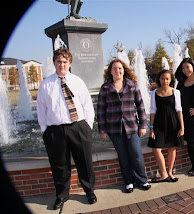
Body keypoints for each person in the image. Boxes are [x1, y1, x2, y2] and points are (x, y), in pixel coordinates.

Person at [37, 48, 97, 210]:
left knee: (84, 162)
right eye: (59, 61)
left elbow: (87, 105)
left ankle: (89, 191)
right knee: (59, 165)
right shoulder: (46, 84)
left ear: (69, 63)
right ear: (54, 63)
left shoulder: (77, 81)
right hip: (55, 131)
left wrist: (88, 125)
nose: (61, 64)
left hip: (78, 127)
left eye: (65, 62)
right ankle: (62, 195)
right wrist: (45, 130)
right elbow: (41, 109)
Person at [97, 59, 151, 193]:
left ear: (124, 70)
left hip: (132, 127)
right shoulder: (105, 88)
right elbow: (101, 110)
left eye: (120, 68)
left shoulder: (132, 85)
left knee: (136, 154)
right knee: (123, 156)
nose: (117, 71)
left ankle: (142, 180)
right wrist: (102, 130)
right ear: (110, 71)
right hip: (114, 129)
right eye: (114, 69)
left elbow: (140, 106)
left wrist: (143, 125)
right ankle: (129, 182)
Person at [148, 70, 184, 183]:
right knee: (156, 148)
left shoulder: (176, 92)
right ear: (159, 79)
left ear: (171, 80)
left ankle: (170, 172)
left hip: (173, 122)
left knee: (172, 147)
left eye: (167, 79)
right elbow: (152, 111)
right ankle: (163, 173)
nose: (165, 81)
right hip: (159, 123)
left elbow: (179, 110)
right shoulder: (154, 93)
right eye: (163, 78)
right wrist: (151, 128)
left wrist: (182, 127)